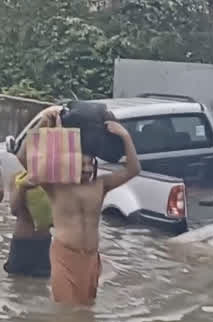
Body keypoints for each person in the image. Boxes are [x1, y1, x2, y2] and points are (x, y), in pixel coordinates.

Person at [33, 106, 140, 305]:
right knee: (65, 313)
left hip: (91, 258)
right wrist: (45, 128)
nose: (87, 169)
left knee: (86, 312)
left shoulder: (101, 185)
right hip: (65, 255)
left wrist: (125, 136)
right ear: (70, 164)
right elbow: (32, 165)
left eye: (90, 164)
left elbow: (134, 169)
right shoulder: (57, 187)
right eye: (82, 165)